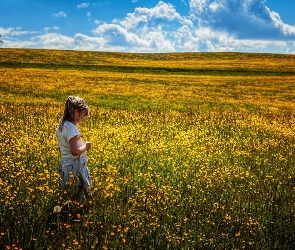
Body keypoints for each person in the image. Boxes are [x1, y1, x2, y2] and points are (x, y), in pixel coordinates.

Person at [55, 96, 92, 203]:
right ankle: (77, 213)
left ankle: (69, 212)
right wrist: (86, 146)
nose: (80, 120)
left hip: (66, 165)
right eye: (81, 117)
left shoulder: (61, 126)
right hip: (75, 167)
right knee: (78, 194)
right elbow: (75, 151)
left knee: (69, 195)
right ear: (76, 112)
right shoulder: (71, 128)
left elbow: (61, 149)